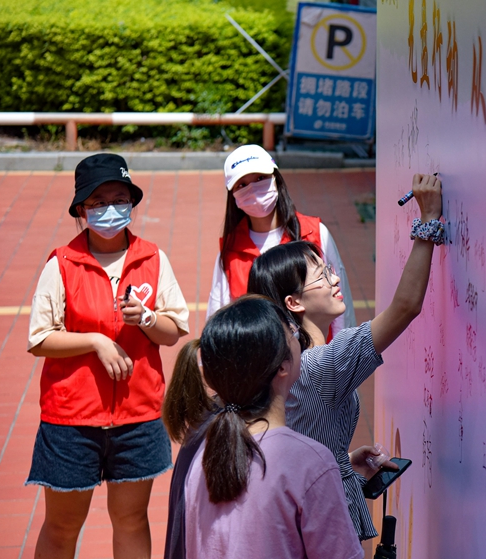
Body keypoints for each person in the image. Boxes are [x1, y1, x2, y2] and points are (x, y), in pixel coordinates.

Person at [247, 173, 443, 540]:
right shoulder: (321, 363)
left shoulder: (288, 360)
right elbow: (405, 307)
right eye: (321, 276)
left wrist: (343, 463)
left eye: (330, 270)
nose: (335, 280)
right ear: (294, 302)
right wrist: (429, 221)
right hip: (322, 516)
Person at [26, 153, 190, 559]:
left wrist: (148, 319)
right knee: (62, 526)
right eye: (98, 202)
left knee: (132, 520)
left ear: (131, 204)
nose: (110, 209)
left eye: (120, 198)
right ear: (82, 209)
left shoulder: (153, 258)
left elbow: (173, 331)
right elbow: (39, 338)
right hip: (71, 419)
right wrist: (95, 341)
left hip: (139, 416)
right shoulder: (61, 263)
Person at [163, 296, 364, 559]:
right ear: (281, 366)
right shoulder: (310, 463)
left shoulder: (205, 454)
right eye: (292, 332)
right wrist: (324, 478)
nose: (298, 336)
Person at [206, 144, 356, 337]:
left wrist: (345, 360)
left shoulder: (315, 233)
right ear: (232, 195)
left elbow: (341, 303)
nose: (253, 189)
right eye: (242, 185)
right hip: (259, 363)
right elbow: (218, 317)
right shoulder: (230, 251)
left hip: (318, 360)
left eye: (260, 178)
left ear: (276, 178)